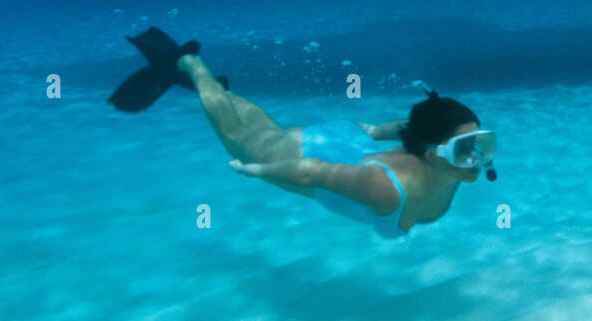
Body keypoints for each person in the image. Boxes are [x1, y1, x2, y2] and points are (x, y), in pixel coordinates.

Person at [107, 28, 495, 237]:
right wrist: (252, 171)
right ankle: (191, 64)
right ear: (430, 152)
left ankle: (212, 86)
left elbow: (410, 129)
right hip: (312, 151)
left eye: (480, 144)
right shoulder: (387, 188)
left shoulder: (455, 166)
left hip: (351, 141)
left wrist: (378, 130)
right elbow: (309, 171)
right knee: (239, 138)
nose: (477, 158)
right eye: (466, 148)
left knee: (261, 129)